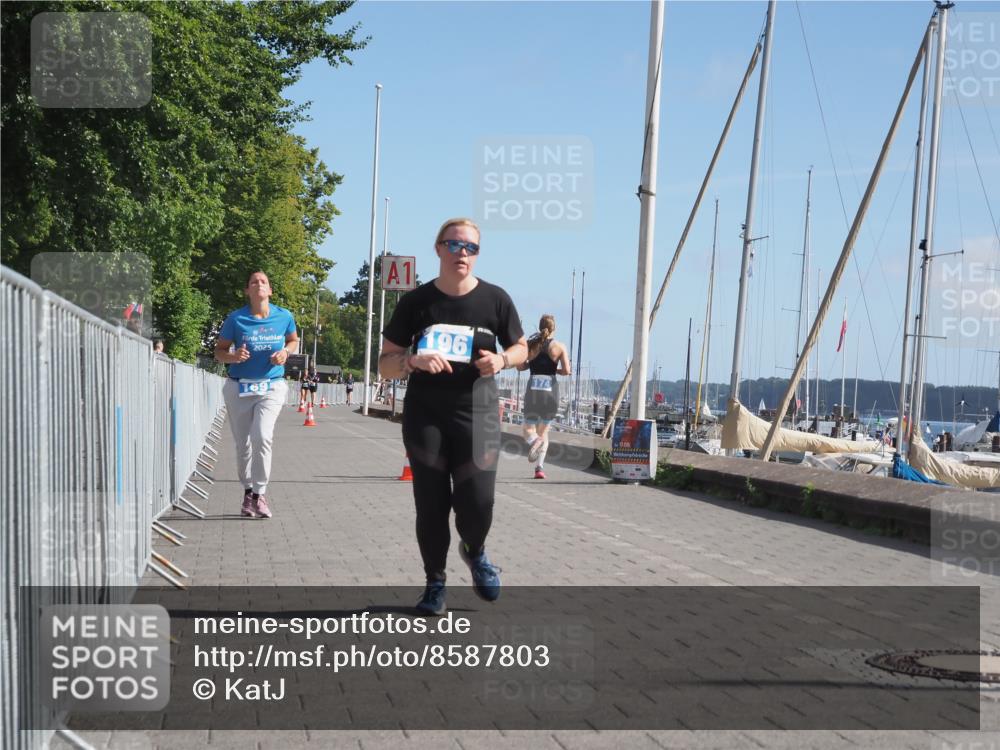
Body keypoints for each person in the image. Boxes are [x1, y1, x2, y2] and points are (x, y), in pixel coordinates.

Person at [379, 217, 527, 616]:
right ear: (439, 248)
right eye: (455, 245)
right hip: (426, 415)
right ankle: (435, 584)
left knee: (479, 503)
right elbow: (384, 365)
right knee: (431, 505)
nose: (463, 254)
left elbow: (521, 349)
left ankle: (475, 550)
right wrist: (412, 359)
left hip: (478, 416)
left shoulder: (496, 299)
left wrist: (501, 360)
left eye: (471, 248)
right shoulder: (417, 302)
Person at [215, 271, 298, 519]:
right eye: (253, 281)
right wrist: (233, 356)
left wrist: (285, 352)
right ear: (247, 291)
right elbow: (219, 352)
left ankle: (260, 493)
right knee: (244, 445)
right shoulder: (236, 318)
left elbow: (293, 340)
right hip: (239, 386)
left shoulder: (284, 316)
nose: (259, 284)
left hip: (270, 386)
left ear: (270, 290)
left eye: (263, 282)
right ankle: (248, 492)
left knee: (262, 435)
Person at [517, 314, 571, 479]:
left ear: (539, 327)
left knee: (527, 430)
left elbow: (520, 366)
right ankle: (539, 468)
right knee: (544, 433)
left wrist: (532, 365)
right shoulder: (559, 347)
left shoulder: (530, 345)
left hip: (533, 392)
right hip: (551, 393)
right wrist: (554, 370)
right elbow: (567, 371)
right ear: (554, 328)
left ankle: (534, 442)